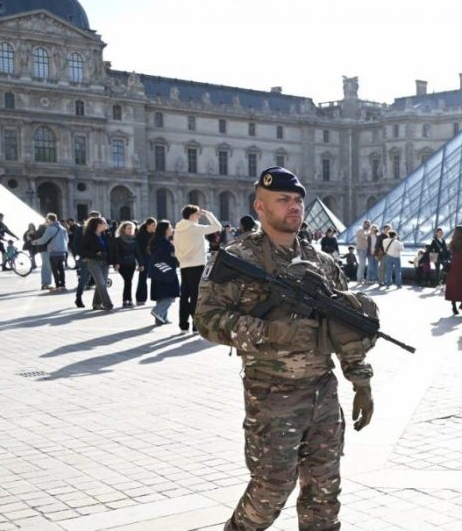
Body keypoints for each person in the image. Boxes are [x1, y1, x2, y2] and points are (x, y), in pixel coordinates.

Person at [196, 166, 374, 531]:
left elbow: (345, 327)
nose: (294, 207)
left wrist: (361, 381)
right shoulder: (237, 260)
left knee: (324, 493)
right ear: (260, 207)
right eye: (283, 200)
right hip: (271, 395)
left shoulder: (321, 263)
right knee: (271, 490)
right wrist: (271, 331)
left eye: (298, 200)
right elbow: (206, 320)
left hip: (323, 393)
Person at [173, 204, 222, 332]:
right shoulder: (194, 228)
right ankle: (195, 325)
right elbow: (217, 227)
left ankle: (183, 325)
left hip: (184, 265)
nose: (199, 216)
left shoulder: (177, 229)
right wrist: (208, 214)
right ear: (191, 215)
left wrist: (181, 259)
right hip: (197, 265)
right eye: (197, 214)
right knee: (196, 296)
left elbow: (176, 248)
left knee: (184, 296)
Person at [147, 220, 178, 326]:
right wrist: (174, 249)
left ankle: (161, 319)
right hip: (166, 271)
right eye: (169, 228)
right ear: (164, 230)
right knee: (171, 294)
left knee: (161, 295)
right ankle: (158, 311)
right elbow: (168, 256)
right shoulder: (164, 242)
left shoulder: (158, 240)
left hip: (158, 271)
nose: (171, 229)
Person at [79, 217, 114, 311]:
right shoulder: (88, 236)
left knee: (101, 284)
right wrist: (95, 254)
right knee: (101, 283)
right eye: (104, 223)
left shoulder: (106, 235)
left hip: (105, 262)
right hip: (94, 262)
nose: (106, 224)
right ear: (98, 225)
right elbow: (83, 250)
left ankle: (96, 304)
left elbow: (111, 248)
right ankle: (108, 304)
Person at [33, 215, 68, 290]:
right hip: (62, 252)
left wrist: (34, 242)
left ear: (49, 220)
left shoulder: (50, 228)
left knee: (53, 269)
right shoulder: (62, 228)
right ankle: (63, 285)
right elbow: (66, 240)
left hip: (53, 251)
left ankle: (57, 285)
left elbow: (44, 240)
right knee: (61, 269)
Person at [111, 221, 138, 308]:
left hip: (131, 264)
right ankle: (128, 300)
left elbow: (137, 252)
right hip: (122, 264)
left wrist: (141, 263)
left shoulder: (134, 240)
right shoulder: (117, 240)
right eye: (128, 228)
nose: (131, 230)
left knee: (128, 281)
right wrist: (116, 263)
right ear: (123, 229)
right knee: (128, 281)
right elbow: (116, 253)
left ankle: (126, 300)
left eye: (132, 228)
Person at [135, 218, 156, 306]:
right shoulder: (140, 234)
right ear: (148, 225)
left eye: (155, 225)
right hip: (144, 259)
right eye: (153, 225)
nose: (155, 227)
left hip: (153, 259)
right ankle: (140, 298)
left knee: (156, 278)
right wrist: (140, 263)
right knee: (142, 279)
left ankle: (157, 297)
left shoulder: (155, 234)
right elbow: (138, 250)